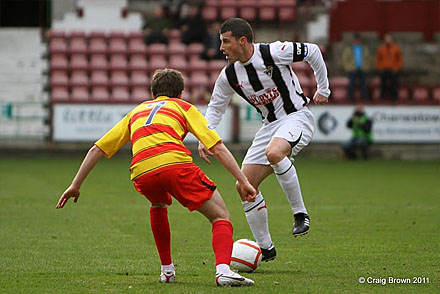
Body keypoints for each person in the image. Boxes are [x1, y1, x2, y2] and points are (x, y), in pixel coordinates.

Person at [56, 68, 256, 287]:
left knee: (158, 204)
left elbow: (97, 149)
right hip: (174, 165)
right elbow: (217, 147)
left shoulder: (137, 111)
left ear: (153, 93)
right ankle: (223, 271)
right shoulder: (184, 107)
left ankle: (167, 271)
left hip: (142, 171)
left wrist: (75, 185)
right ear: (180, 94)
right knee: (220, 216)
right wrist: (243, 181)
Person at [198, 18, 331, 262]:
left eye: (225, 41)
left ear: (242, 40)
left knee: (274, 153)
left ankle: (300, 213)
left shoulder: (273, 52)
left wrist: (323, 88)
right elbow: (216, 108)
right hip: (269, 127)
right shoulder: (229, 75)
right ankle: (266, 248)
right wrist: (205, 137)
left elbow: (312, 51)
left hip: (296, 117)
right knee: (244, 186)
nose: (221, 48)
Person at [342, 33, 371, 101]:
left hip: (363, 69)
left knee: (364, 83)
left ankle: (364, 98)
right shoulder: (349, 49)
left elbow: (369, 59)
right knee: (351, 83)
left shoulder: (365, 49)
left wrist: (366, 67)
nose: (357, 41)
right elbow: (345, 60)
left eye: (358, 40)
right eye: (356, 40)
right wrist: (349, 68)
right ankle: (350, 99)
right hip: (352, 70)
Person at [375, 33, 403, 101]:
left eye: (389, 38)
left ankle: (394, 97)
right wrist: (380, 68)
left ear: (392, 39)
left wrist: (397, 68)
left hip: (393, 69)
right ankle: (382, 97)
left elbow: (400, 59)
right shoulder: (381, 48)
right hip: (384, 69)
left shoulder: (396, 48)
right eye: (386, 38)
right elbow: (377, 59)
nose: (387, 40)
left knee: (394, 83)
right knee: (382, 84)